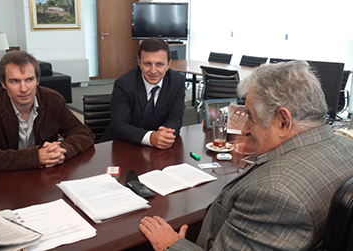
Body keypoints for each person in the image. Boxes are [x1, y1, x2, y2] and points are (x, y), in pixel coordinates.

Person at [139, 60, 353, 250]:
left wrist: (172, 245)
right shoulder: (347, 148)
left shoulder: (274, 195)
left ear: (283, 121)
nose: (244, 130)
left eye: (251, 116)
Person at [0, 51, 95, 171]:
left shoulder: (53, 100)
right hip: (7, 181)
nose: (24, 88)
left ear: (37, 80)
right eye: (15, 81)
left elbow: (84, 134)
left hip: (45, 178)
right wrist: (35, 157)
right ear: (3, 84)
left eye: (29, 80)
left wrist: (60, 151)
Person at [105, 38, 185, 149]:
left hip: (161, 148)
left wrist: (165, 135)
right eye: (147, 63)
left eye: (159, 64)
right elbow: (120, 126)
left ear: (168, 64)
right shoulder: (124, 84)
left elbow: (175, 118)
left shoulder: (177, 81)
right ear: (139, 62)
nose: (153, 71)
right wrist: (150, 137)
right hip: (125, 145)